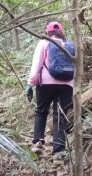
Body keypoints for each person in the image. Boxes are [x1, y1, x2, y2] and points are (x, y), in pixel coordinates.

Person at [25, 21, 76, 157]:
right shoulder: (70, 45)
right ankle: (59, 151)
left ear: (48, 32)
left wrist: (30, 84)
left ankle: (38, 142)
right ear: (61, 32)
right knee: (60, 116)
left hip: (46, 84)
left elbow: (37, 64)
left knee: (41, 111)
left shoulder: (44, 43)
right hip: (66, 84)